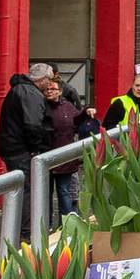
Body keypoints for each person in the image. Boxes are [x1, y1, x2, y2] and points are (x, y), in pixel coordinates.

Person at [0, 61, 58, 177]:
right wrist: (36, 149)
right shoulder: (31, 93)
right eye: (49, 79)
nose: (50, 84)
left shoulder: (19, 88)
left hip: (12, 146)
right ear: (43, 79)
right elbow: (33, 124)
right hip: (22, 150)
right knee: (28, 184)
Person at [45, 81, 98, 221]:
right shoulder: (41, 107)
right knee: (45, 194)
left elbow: (78, 119)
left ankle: (67, 223)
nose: (49, 91)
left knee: (64, 192)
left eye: (53, 89)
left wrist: (87, 111)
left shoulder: (67, 106)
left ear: (60, 92)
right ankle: (46, 224)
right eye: (47, 89)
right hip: (47, 156)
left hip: (65, 157)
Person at [105, 64, 140, 130]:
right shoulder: (120, 102)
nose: (139, 88)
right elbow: (108, 126)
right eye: (137, 85)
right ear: (132, 85)